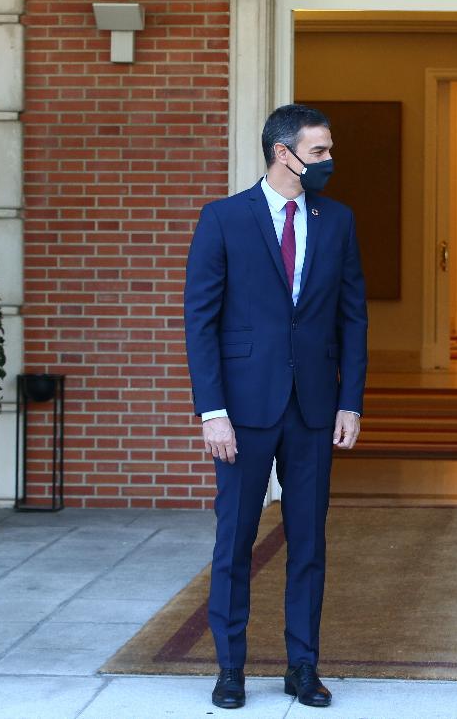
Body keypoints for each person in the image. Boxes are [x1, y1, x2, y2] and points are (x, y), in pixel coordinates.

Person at [184, 103, 367, 710]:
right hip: (241, 410)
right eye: (318, 152)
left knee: (308, 541)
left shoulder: (337, 221)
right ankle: (230, 669)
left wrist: (350, 402)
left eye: (328, 150)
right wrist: (212, 411)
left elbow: (352, 318)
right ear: (281, 153)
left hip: (313, 408)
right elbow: (200, 321)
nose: (328, 162)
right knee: (234, 539)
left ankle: (302, 665)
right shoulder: (224, 218)